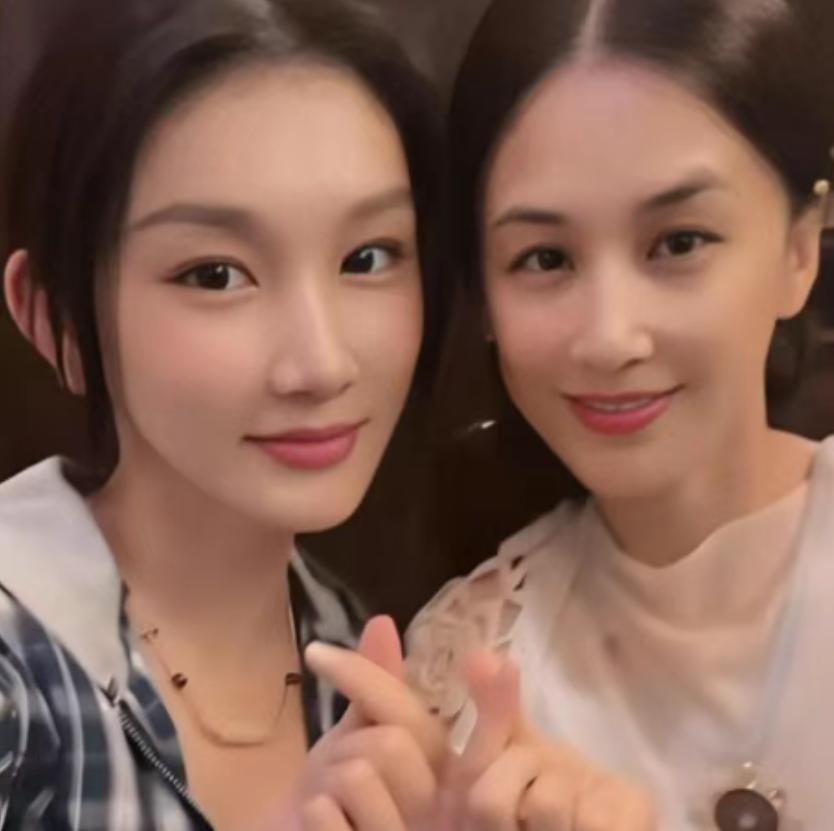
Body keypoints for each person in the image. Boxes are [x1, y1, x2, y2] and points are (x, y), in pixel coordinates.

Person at [0, 0, 443, 826]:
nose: (323, 363)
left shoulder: (363, 661)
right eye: (215, 274)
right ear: (54, 319)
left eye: (367, 257)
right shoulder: (19, 658)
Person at [407, 0, 834, 829]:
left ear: (799, 248)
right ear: (483, 297)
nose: (609, 337)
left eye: (679, 242)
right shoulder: (468, 673)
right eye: (545, 258)